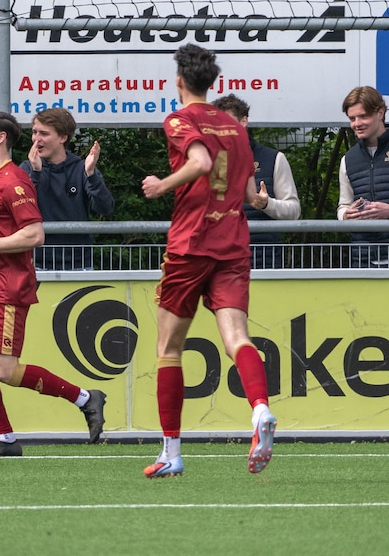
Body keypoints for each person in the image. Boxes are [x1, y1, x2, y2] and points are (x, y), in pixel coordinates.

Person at [0, 111, 106, 457]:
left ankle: (85, 398)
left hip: (9, 286)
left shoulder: (14, 180)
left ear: (0, 138)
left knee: (5, 370)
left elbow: (34, 234)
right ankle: (6, 440)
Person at [140, 44, 276, 478]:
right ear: (211, 81)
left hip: (191, 243)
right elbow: (253, 192)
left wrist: (162, 185)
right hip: (233, 242)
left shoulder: (181, 119)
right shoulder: (236, 129)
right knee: (237, 336)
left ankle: (171, 453)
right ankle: (259, 409)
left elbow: (199, 161)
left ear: (179, 80)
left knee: (168, 347)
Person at [212, 94, 301, 269]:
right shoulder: (206, 162)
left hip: (264, 262)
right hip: (219, 262)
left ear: (244, 121)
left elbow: (294, 211)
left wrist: (267, 204)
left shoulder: (274, 159)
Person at [19, 107, 114, 270]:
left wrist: (91, 174)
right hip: (36, 264)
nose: (36, 139)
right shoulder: (26, 168)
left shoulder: (82, 168)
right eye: (35, 132)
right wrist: (35, 173)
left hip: (79, 265)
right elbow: (20, 208)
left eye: (44, 134)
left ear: (63, 137)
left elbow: (105, 208)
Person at [335, 85, 389, 268]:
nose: (357, 123)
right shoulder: (348, 159)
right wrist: (346, 215)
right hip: (362, 262)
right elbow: (343, 205)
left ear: (380, 113)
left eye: (363, 116)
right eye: (352, 118)